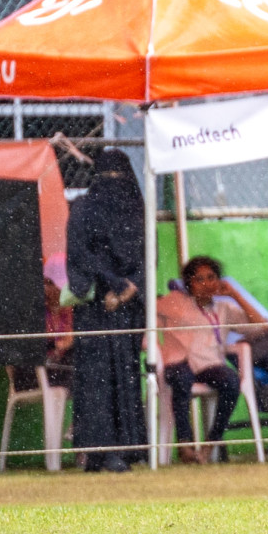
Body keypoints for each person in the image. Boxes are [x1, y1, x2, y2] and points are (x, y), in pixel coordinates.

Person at [66, 148, 147, 473]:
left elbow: (145, 257)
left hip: (126, 309)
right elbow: (80, 252)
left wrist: (129, 289)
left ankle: (127, 447)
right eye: (107, 177)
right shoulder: (84, 209)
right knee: (97, 378)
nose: (113, 184)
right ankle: (98, 449)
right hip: (96, 305)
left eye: (118, 177)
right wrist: (111, 284)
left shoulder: (138, 211)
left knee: (125, 376)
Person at [158, 255, 265, 463]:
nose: (207, 284)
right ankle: (185, 446)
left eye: (211, 277)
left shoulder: (224, 308)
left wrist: (235, 295)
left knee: (232, 382)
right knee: (182, 379)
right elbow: (151, 309)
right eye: (199, 279)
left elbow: (260, 325)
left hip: (209, 365)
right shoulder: (176, 303)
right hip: (179, 363)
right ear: (188, 283)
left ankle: (210, 444)